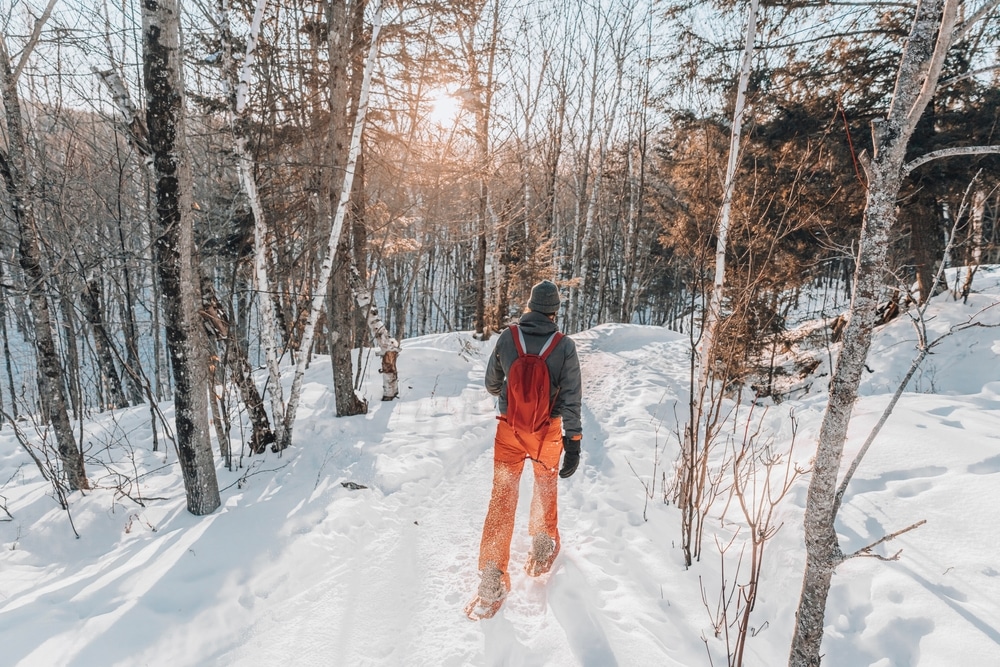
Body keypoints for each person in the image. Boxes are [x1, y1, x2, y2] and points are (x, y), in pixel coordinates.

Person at [466, 280, 583, 620]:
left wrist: (510, 390)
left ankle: (491, 578)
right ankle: (543, 545)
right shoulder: (564, 346)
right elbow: (572, 399)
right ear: (554, 312)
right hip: (547, 431)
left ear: (530, 307)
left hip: (509, 429)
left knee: (502, 497)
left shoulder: (508, 337)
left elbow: (491, 383)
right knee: (545, 484)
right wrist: (572, 442)